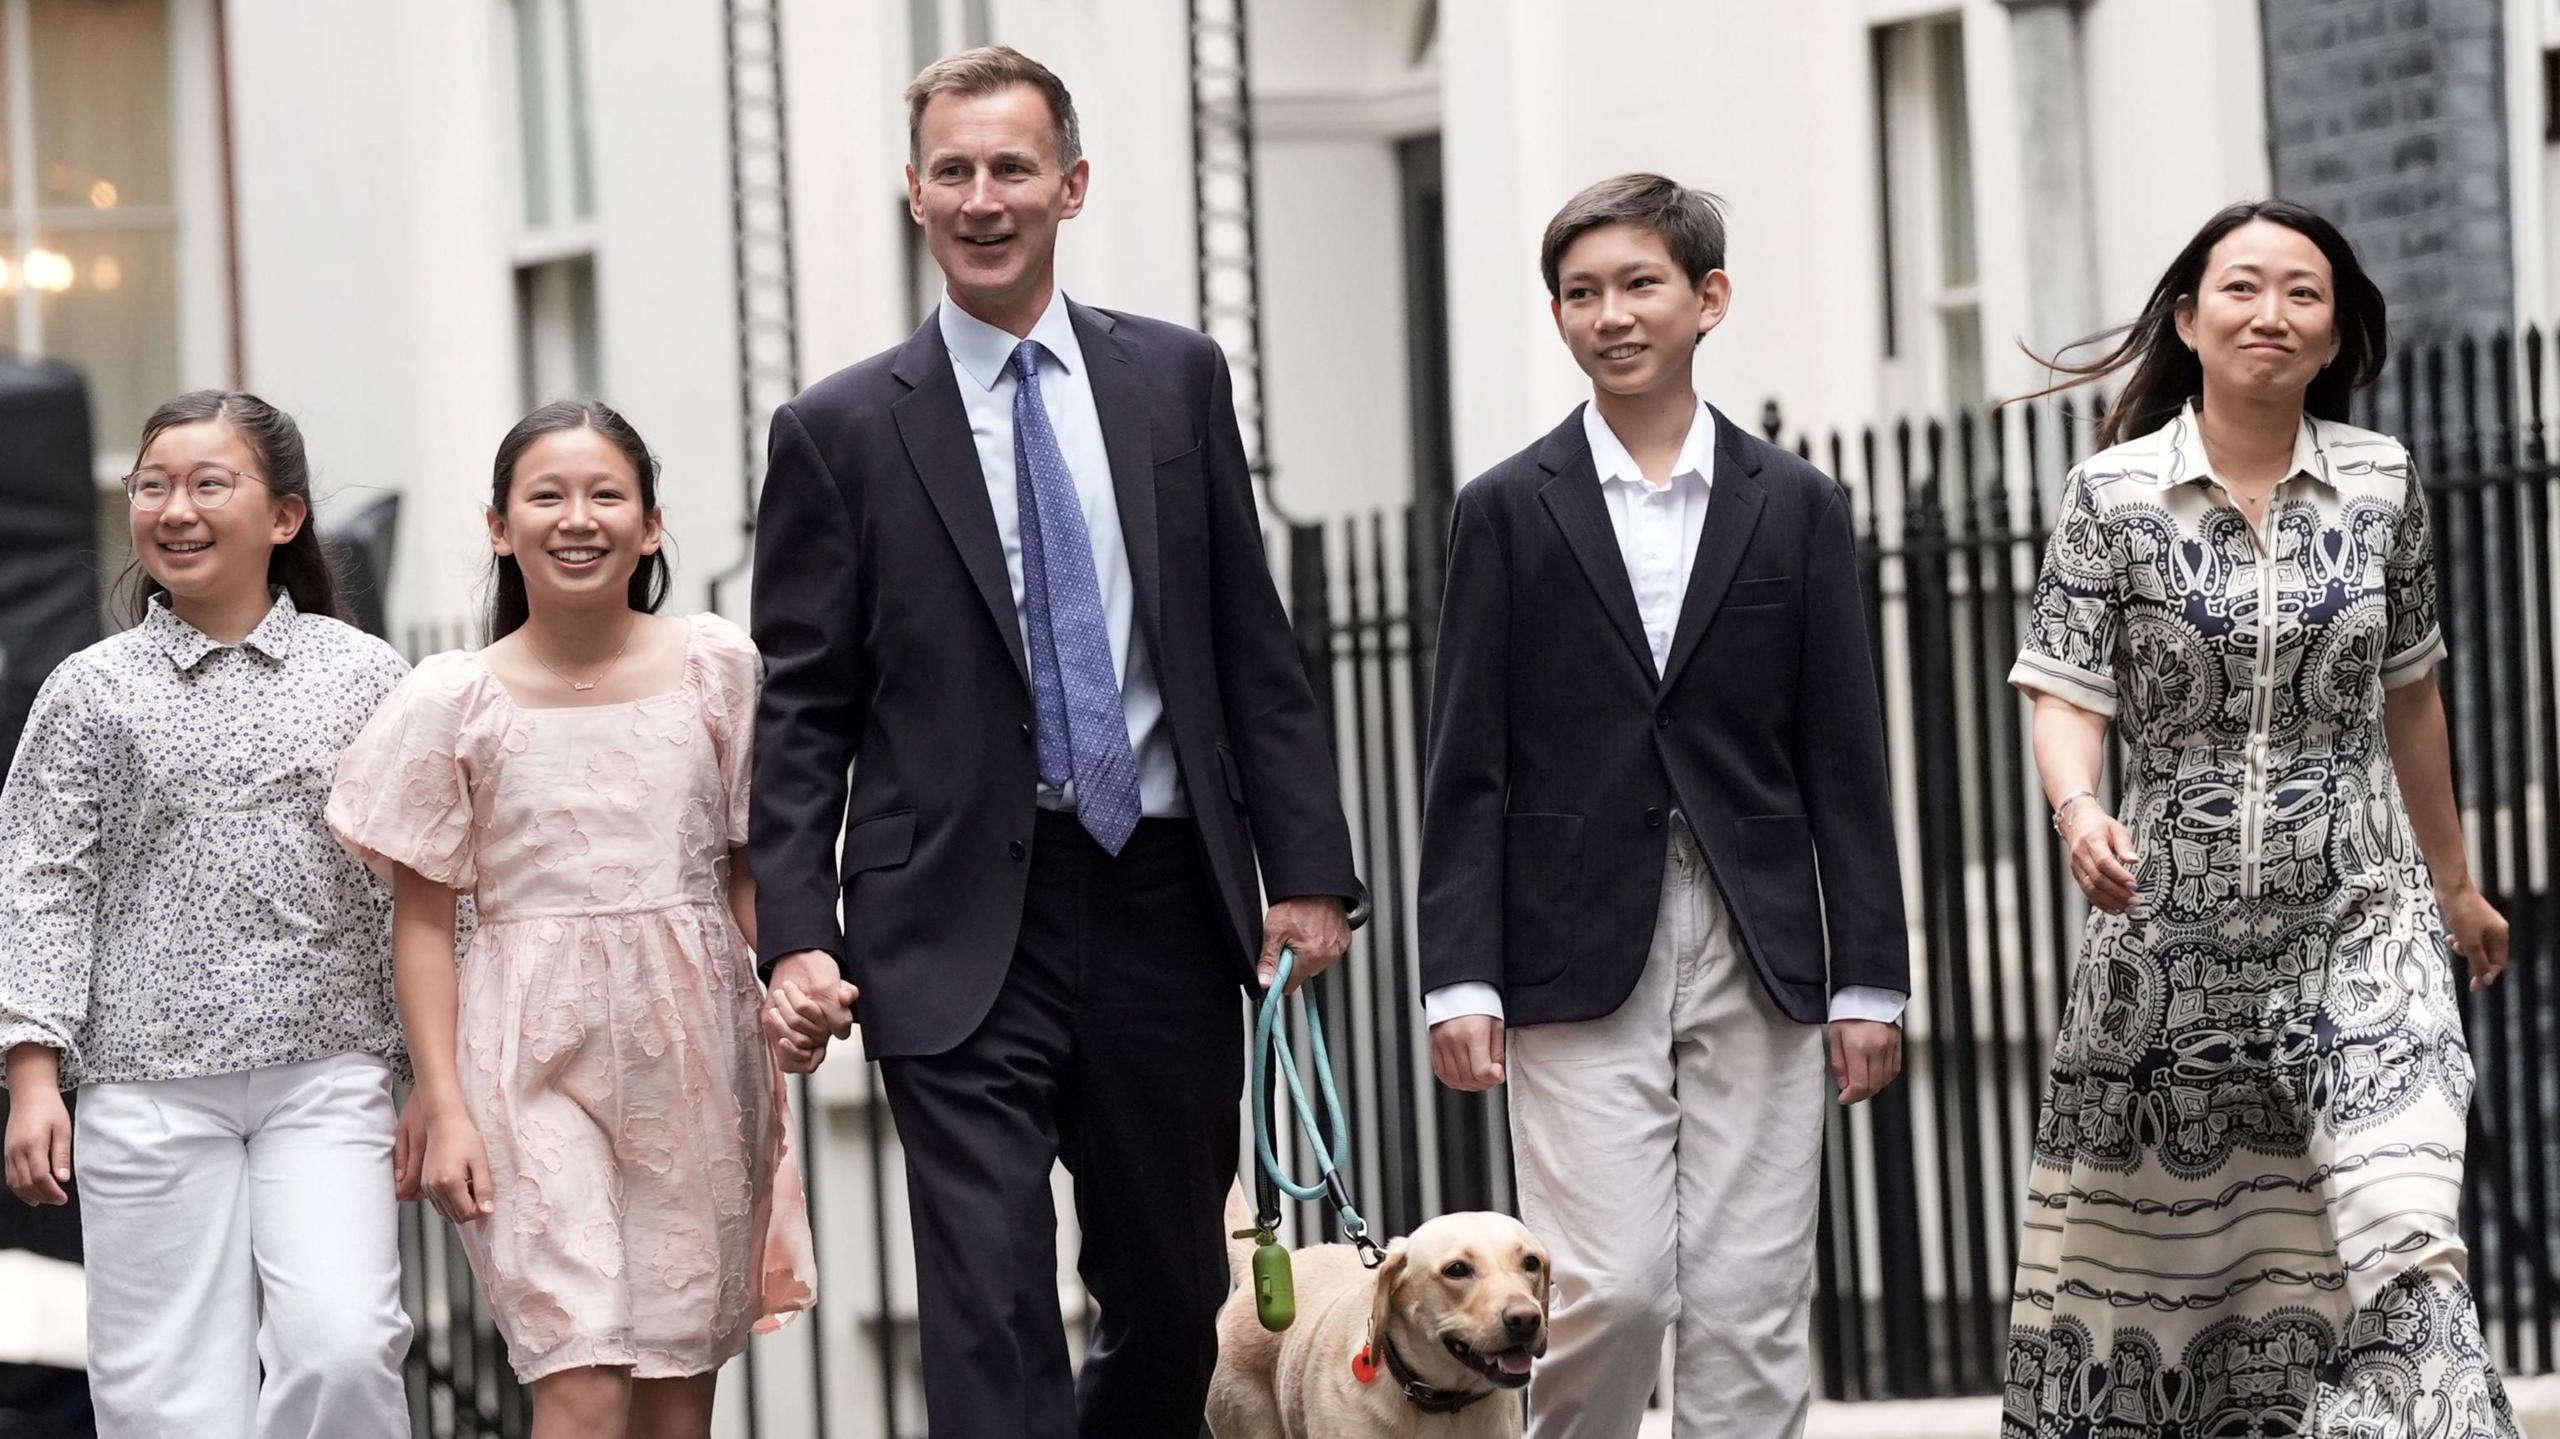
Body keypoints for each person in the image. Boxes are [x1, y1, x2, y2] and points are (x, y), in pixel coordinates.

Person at [752, 45, 1364, 1439]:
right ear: (914, 194)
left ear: (1070, 186)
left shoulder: (1176, 381)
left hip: (1160, 890)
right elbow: (803, 707)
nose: (983, 197)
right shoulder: (838, 429)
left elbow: (1248, 646)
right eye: (953, 171)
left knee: (1169, 1285)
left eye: (1011, 168)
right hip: (947, 916)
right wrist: (797, 928)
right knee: (985, 1293)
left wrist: (1310, 864)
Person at [2002, 200, 2518, 1436]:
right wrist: (2078, 814)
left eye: (2302, 291)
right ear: (2188, 318)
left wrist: (2452, 884)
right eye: (2241, 287)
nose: (2270, 312)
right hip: (2169, 944)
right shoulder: (2112, 494)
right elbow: (2062, 688)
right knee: (2183, 1298)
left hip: (2363, 916)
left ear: (2334, 333)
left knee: (2405, 1227)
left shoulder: (2383, 484)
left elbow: (2413, 697)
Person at [1419, 174, 1910, 1438]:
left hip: (1761, 939)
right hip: (1569, 939)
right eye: (1581, 294)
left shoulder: (1795, 504)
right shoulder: (1505, 510)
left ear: (1708, 299)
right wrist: (1457, 977)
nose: (1611, 316)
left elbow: (1843, 757)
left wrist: (1869, 979)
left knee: (1751, 1301)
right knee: (1612, 1289)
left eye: (1638, 285)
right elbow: (1466, 762)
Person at [328, 401, 815, 1439]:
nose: (577, 517)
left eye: (606, 494)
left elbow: (747, 864)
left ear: (651, 524)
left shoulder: (718, 667)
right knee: (581, 1375)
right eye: (546, 495)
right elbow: (421, 923)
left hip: (697, 1047)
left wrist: (788, 980)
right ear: (500, 525)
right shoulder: (449, 697)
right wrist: (443, 1101)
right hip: (522, 1049)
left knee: (674, 1397)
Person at [0, 390, 414, 1438]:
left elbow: (425, 887)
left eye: (206, 483)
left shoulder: (369, 678)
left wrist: (435, 1077)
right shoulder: (89, 689)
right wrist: (32, 1072)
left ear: (285, 516)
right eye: (153, 485)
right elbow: (42, 879)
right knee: (165, 1395)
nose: (174, 508)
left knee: (344, 1346)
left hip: (329, 1075)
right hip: (141, 1088)